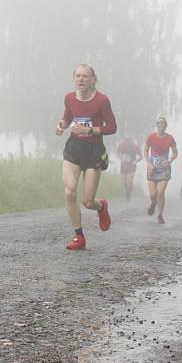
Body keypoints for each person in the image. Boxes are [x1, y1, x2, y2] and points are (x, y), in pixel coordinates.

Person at [55, 64, 117, 250]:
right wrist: (61, 126)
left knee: (88, 202)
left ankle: (101, 207)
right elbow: (67, 117)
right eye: (78, 76)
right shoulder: (69, 98)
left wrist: (89, 130)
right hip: (74, 148)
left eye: (85, 76)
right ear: (74, 78)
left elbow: (112, 127)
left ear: (93, 80)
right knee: (70, 191)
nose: (81, 79)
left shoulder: (102, 101)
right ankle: (79, 237)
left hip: (93, 151)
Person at [143, 117, 178, 224]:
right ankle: (153, 204)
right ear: (157, 126)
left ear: (166, 126)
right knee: (153, 195)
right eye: (159, 125)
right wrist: (149, 164)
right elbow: (145, 150)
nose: (161, 127)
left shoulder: (170, 138)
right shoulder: (151, 137)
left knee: (161, 192)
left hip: (164, 168)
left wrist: (170, 160)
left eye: (163, 125)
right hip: (152, 167)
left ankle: (160, 215)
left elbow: (175, 152)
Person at [116, 135, 143, 201]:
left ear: (131, 140)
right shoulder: (121, 145)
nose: (127, 141)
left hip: (132, 165)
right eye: (126, 139)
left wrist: (136, 161)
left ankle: (128, 196)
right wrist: (120, 157)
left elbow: (141, 157)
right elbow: (118, 153)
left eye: (129, 140)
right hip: (124, 165)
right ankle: (128, 191)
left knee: (129, 179)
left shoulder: (134, 146)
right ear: (124, 140)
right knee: (124, 181)